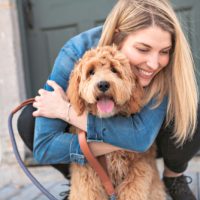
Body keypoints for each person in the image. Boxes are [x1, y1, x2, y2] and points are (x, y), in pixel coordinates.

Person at [27, 0, 200, 199]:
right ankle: (87, 183)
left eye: (164, 51)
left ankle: (173, 177)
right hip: (96, 145)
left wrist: (66, 112)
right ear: (118, 35)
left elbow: (141, 139)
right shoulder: (75, 52)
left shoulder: (163, 68)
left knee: (192, 109)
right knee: (30, 119)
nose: (153, 64)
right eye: (143, 49)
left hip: (151, 138)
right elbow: (44, 148)